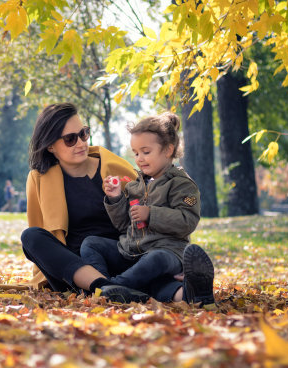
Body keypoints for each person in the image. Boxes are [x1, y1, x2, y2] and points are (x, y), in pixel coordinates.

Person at [20, 102, 214, 304]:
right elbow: (42, 230)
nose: (80, 143)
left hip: (126, 254)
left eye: (84, 134)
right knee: (31, 237)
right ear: (50, 145)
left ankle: (180, 294)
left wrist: (178, 259)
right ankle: (103, 287)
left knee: (151, 272)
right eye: (70, 139)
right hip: (76, 269)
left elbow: (166, 212)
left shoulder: (113, 166)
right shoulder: (39, 178)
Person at [80, 112, 214, 305]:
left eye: (146, 152)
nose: (139, 159)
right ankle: (117, 287)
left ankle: (112, 287)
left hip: (167, 253)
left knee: (156, 259)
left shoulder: (181, 184)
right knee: (91, 243)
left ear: (168, 150)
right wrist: (116, 197)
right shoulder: (136, 185)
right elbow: (123, 225)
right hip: (132, 252)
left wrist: (151, 214)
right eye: (135, 153)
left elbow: (187, 221)